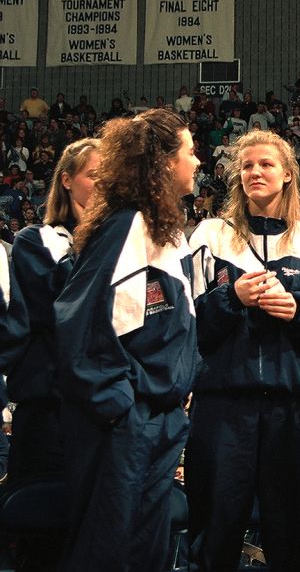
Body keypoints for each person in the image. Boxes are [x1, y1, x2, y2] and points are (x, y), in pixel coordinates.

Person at [186, 129, 300, 571]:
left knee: (294, 535)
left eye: (265, 164)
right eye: (247, 166)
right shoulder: (210, 234)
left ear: (287, 175)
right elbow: (185, 325)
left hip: (295, 407)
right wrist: (230, 299)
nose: (255, 172)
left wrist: (299, 310)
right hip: (223, 405)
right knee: (214, 532)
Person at [53, 110, 200, 572]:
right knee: (108, 552)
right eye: (190, 152)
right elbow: (79, 324)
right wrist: (123, 410)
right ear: (161, 163)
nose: (197, 161)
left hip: (156, 419)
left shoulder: (162, 231)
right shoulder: (126, 225)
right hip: (127, 425)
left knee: (143, 552)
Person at [0, 139, 100, 499]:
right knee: (37, 528)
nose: (103, 184)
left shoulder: (128, 243)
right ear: (67, 180)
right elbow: (60, 312)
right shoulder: (34, 240)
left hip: (103, 410)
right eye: (93, 175)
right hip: (47, 408)